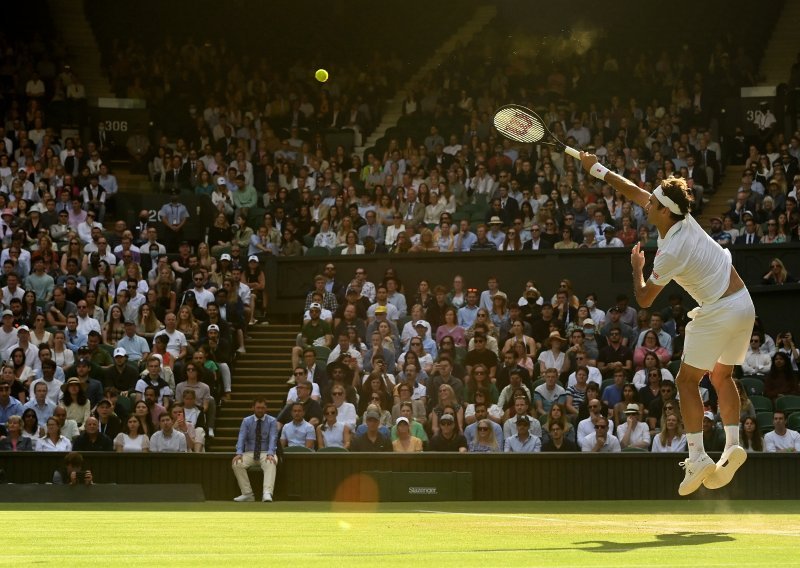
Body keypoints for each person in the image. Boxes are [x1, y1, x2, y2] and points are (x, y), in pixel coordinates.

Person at [580, 153, 755, 495]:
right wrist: (597, 169)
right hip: (744, 303)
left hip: (718, 309)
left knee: (686, 380)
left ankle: (698, 456)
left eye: (653, 202)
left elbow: (644, 299)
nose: (647, 203)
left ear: (664, 210)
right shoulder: (680, 216)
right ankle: (733, 443)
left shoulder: (671, 250)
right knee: (722, 375)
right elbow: (631, 189)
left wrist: (636, 267)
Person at [232, 398, 279, 502]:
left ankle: (267, 493)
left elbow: (273, 438)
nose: (260, 410)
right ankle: (247, 494)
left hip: (266, 452)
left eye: (262, 408)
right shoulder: (246, 421)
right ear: (253, 408)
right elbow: (241, 437)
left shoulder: (272, 420)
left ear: (266, 408)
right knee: (237, 463)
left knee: (270, 462)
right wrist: (239, 453)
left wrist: (271, 453)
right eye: (258, 407)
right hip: (249, 452)